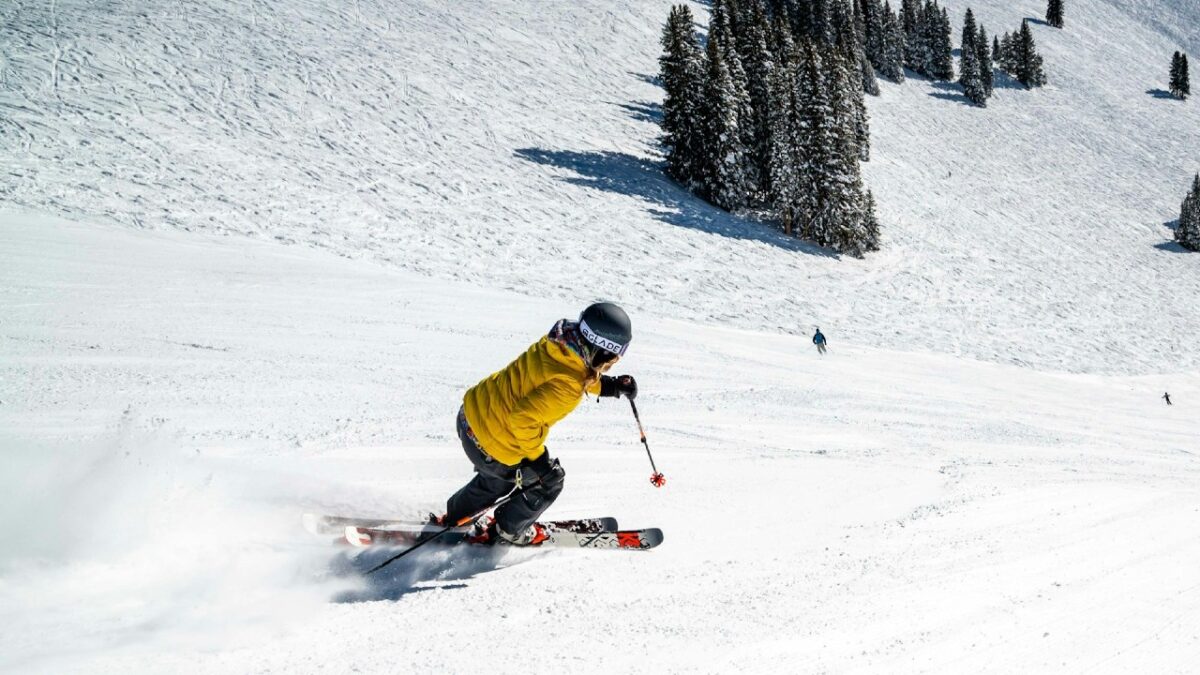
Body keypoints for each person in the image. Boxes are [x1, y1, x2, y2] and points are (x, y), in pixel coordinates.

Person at [438, 302, 638, 546]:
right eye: (615, 355)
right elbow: (524, 420)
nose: (614, 361)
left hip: (471, 418)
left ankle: (456, 519)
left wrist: (610, 387)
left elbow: (565, 374)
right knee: (548, 482)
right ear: (602, 350)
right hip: (492, 443)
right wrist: (541, 463)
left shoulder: (559, 342)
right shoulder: (570, 387)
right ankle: (508, 532)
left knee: (497, 480)